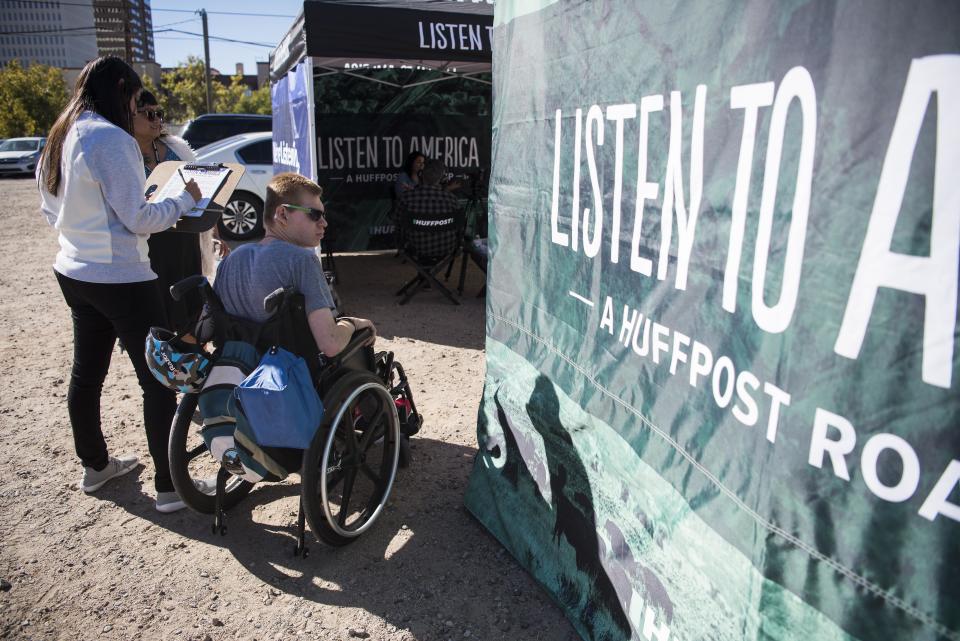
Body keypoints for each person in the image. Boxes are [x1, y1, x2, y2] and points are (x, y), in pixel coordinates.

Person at [37, 56, 202, 513]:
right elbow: (140, 219)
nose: (136, 107)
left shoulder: (62, 133)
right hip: (122, 277)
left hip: (73, 269)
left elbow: (48, 206)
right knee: (157, 381)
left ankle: (96, 466)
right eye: (134, 97)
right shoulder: (110, 138)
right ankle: (171, 488)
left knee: (86, 375)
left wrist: (85, 230)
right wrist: (181, 197)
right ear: (121, 91)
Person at [214, 173, 375, 356]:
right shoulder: (302, 261)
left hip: (237, 373)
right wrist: (352, 323)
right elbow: (330, 344)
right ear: (282, 214)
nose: (324, 223)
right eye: (315, 215)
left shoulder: (229, 260)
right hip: (288, 377)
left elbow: (205, 330)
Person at [133, 90, 227, 334]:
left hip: (185, 241)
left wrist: (213, 232)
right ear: (130, 115)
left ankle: (190, 358)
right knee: (155, 312)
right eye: (148, 114)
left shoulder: (177, 148)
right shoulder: (124, 153)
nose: (156, 120)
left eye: (159, 114)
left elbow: (202, 195)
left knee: (190, 306)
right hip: (148, 245)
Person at [397, 159, 461, 259]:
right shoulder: (452, 200)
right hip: (446, 249)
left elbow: (397, 221)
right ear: (442, 178)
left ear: (421, 175)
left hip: (414, 249)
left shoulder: (406, 198)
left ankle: (423, 273)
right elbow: (459, 227)